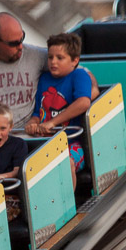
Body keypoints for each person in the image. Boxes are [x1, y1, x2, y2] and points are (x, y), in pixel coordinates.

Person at [26, 33, 98, 178]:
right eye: (50, 57)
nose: (53, 62)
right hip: (45, 143)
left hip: (71, 143)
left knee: (66, 164)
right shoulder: (44, 79)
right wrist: (33, 122)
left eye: (60, 58)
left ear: (74, 61)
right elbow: (38, 112)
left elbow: (83, 102)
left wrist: (52, 122)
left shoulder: (79, 76)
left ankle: (68, 200)